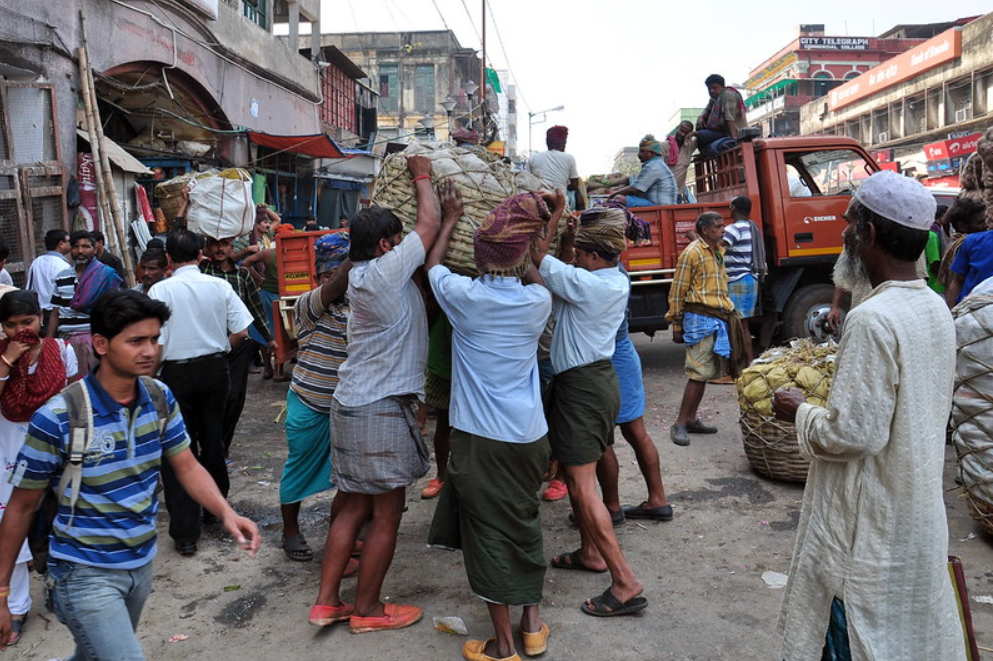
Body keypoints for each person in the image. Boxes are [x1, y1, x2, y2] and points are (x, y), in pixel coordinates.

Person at [0, 290, 260, 658]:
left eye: (154, 339)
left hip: (139, 564)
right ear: (101, 344)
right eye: (136, 341)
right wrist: (2, 593)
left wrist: (227, 512)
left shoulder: (159, 397)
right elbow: (20, 508)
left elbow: (186, 465)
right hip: (82, 573)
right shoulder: (58, 416)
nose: (150, 351)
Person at [771, 170, 964, 660]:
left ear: (868, 234)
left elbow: (853, 434)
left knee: (859, 634)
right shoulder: (935, 308)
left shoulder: (873, 319)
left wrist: (800, 410)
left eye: (847, 222)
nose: (842, 233)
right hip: (917, 514)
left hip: (870, 526)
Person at [309, 155, 440, 633]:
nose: (405, 243)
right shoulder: (388, 268)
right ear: (386, 244)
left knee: (353, 503)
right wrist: (423, 175)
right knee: (387, 512)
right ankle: (366, 610)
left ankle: (327, 602)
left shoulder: (363, 273)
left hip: (351, 404)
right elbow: (429, 222)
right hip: (378, 409)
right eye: (398, 239)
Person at [426, 187, 553, 661]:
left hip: (482, 441)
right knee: (524, 522)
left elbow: (433, 264)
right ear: (520, 260)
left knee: (487, 538)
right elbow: (535, 277)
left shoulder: (464, 298)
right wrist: (531, 245)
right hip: (529, 437)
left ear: (478, 262)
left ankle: (504, 647)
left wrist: (452, 217)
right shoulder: (537, 301)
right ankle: (533, 628)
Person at [532, 200, 647, 618]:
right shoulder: (609, 278)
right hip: (593, 384)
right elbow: (559, 260)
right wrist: (566, 232)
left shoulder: (588, 285)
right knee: (584, 472)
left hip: (584, 389)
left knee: (582, 486)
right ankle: (590, 553)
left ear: (596, 256)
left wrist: (557, 211)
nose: (575, 258)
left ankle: (624, 581)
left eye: (581, 253)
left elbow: (535, 257)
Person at [149, 230, 253, 557]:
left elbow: (156, 341)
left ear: (168, 259)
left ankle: (185, 533)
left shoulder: (159, 289)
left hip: (176, 373)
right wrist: (220, 349)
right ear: (200, 256)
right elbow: (242, 332)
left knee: (178, 449)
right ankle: (214, 511)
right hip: (215, 371)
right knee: (212, 440)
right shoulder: (220, 286)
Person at [0, 291, 76, 647]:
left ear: (40, 319)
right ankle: (15, 606)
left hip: (56, 448)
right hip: (10, 451)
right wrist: (8, 360)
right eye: (11, 326)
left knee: (67, 519)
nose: (21, 331)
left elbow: (73, 396)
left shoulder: (61, 351)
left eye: (27, 323)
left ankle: (70, 590)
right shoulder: (1, 355)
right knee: (9, 526)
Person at [279, 232, 351, 563]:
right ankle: (290, 530)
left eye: (338, 273)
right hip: (308, 404)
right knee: (297, 469)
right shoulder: (308, 303)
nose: (334, 280)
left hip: (344, 408)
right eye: (326, 275)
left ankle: (345, 531)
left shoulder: (358, 307)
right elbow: (335, 288)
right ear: (316, 277)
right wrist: (359, 252)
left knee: (348, 477)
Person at [666, 212, 739, 446]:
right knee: (697, 374)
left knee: (705, 373)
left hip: (716, 318)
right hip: (700, 320)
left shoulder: (717, 250)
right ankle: (679, 423)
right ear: (705, 230)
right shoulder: (692, 253)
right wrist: (676, 324)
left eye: (722, 225)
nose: (723, 229)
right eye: (718, 227)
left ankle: (690, 419)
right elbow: (677, 290)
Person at [201, 236, 274, 460]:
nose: (220, 249)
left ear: (232, 247)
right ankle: (209, 445)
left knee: (234, 398)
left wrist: (269, 338)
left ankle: (221, 448)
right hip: (209, 345)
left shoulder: (242, 276)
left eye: (224, 244)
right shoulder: (202, 271)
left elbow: (254, 307)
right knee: (210, 398)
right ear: (207, 247)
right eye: (215, 244)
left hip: (239, 344)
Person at [46, 230, 124, 377]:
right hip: (67, 341)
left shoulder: (105, 275)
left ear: (94, 250)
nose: (80, 251)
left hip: (96, 341)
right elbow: (55, 313)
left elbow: (115, 310)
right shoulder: (62, 277)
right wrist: (49, 342)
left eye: (86, 246)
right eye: (76, 246)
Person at [723, 196, 766, 365]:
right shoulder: (751, 227)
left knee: (736, 326)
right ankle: (748, 362)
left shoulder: (735, 229)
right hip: (749, 279)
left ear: (733, 208)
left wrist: (694, 238)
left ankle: (739, 364)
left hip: (737, 281)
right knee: (743, 325)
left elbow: (716, 247)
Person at [607, 135, 677, 207]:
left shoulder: (652, 166)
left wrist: (613, 194)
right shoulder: (658, 164)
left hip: (659, 207)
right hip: (664, 206)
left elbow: (635, 189)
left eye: (642, 151)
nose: (639, 154)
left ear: (651, 152)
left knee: (619, 198)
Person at [946, 201, 993, 305]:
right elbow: (957, 281)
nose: (985, 225)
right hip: (970, 308)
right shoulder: (970, 241)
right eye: (980, 222)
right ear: (963, 226)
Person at [529, 125, 585, 211]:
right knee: (577, 189)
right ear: (563, 143)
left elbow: (527, 181)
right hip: (561, 204)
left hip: (537, 203)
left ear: (547, 142)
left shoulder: (533, 158)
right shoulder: (569, 158)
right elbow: (574, 185)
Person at [695, 74, 747, 152]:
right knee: (699, 130)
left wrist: (734, 141)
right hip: (720, 131)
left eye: (714, 87)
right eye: (709, 89)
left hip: (732, 132)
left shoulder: (728, 95)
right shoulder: (714, 99)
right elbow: (707, 110)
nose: (711, 91)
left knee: (701, 135)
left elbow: (729, 119)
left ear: (722, 86)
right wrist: (700, 117)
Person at [26, 229, 71, 319]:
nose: (70, 244)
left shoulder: (37, 262)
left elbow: (29, 289)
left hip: (39, 312)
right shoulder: (64, 266)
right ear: (61, 244)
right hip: (56, 312)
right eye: (68, 241)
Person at [671, 121, 697, 203]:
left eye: (686, 133)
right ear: (677, 128)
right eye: (681, 131)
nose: (682, 134)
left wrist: (696, 134)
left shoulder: (690, 145)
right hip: (663, 192)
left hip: (677, 194)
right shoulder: (666, 146)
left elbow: (706, 136)